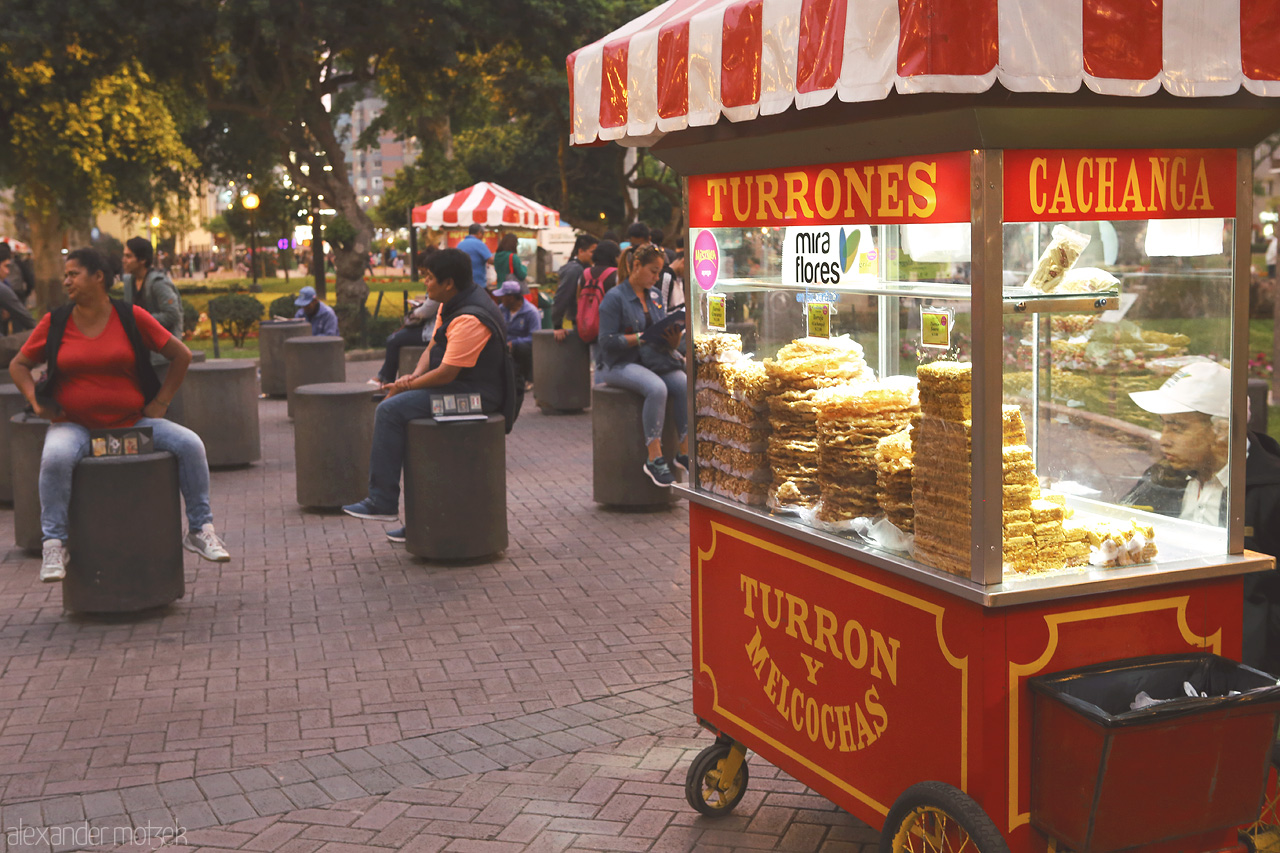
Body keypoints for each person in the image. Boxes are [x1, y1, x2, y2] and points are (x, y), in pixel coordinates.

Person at [9, 248, 231, 581]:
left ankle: (200, 530)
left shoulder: (131, 316)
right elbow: (19, 365)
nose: (66, 281)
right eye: (66, 275)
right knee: (55, 458)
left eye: (73, 274)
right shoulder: (56, 321)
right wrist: (35, 401)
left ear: (98, 277)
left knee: (190, 444)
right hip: (73, 425)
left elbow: (181, 355)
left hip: (132, 423)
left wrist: (161, 402)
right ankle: (54, 543)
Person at [342, 249, 515, 542]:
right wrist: (412, 377)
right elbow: (433, 346)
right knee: (394, 405)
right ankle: (422, 521)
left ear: (448, 283)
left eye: (429, 277)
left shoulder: (469, 318)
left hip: (477, 397)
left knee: (390, 411)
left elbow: (447, 373)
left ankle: (382, 501)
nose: (425, 282)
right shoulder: (452, 303)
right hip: (457, 387)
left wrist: (408, 387)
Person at [1123, 360, 1280, 670]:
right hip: (1167, 635)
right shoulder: (1164, 477)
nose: (1163, 438)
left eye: (1177, 426)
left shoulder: (1271, 491)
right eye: (1163, 424)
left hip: (1244, 659)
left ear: (1221, 431)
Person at [596, 245, 688, 487]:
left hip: (653, 359)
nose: (657, 278)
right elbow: (605, 342)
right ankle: (654, 457)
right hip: (619, 363)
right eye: (653, 271)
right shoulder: (615, 298)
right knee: (657, 388)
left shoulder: (655, 295)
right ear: (636, 266)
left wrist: (673, 339)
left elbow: (660, 331)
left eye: (659, 272)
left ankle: (685, 451)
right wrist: (640, 338)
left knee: (683, 383)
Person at [121, 237, 183, 355]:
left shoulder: (158, 283)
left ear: (142, 260)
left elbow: (172, 314)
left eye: (128, 256)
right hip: (139, 352)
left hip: (161, 354)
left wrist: (142, 320)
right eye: (124, 256)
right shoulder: (129, 282)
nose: (124, 260)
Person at [552, 234, 598, 339]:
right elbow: (562, 297)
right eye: (592, 252)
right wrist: (557, 325)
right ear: (581, 251)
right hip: (580, 322)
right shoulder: (575, 270)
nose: (595, 256)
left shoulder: (584, 267)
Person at [496, 280, 539, 389]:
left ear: (511, 298)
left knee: (523, 348)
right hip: (505, 344)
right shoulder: (501, 309)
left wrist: (514, 343)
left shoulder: (531, 312)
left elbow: (535, 337)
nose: (500, 298)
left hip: (521, 347)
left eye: (503, 296)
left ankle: (529, 378)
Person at [0, 242, 36, 334]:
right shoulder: (2, 288)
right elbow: (27, 319)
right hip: (19, 296)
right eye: (6, 266)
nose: (8, 272)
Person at [457, 224, 494, 289]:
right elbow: (491, 260)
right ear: (479, 232)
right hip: (477, 284)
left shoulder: (460, 244)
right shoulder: (479, 243)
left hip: (462, 283)